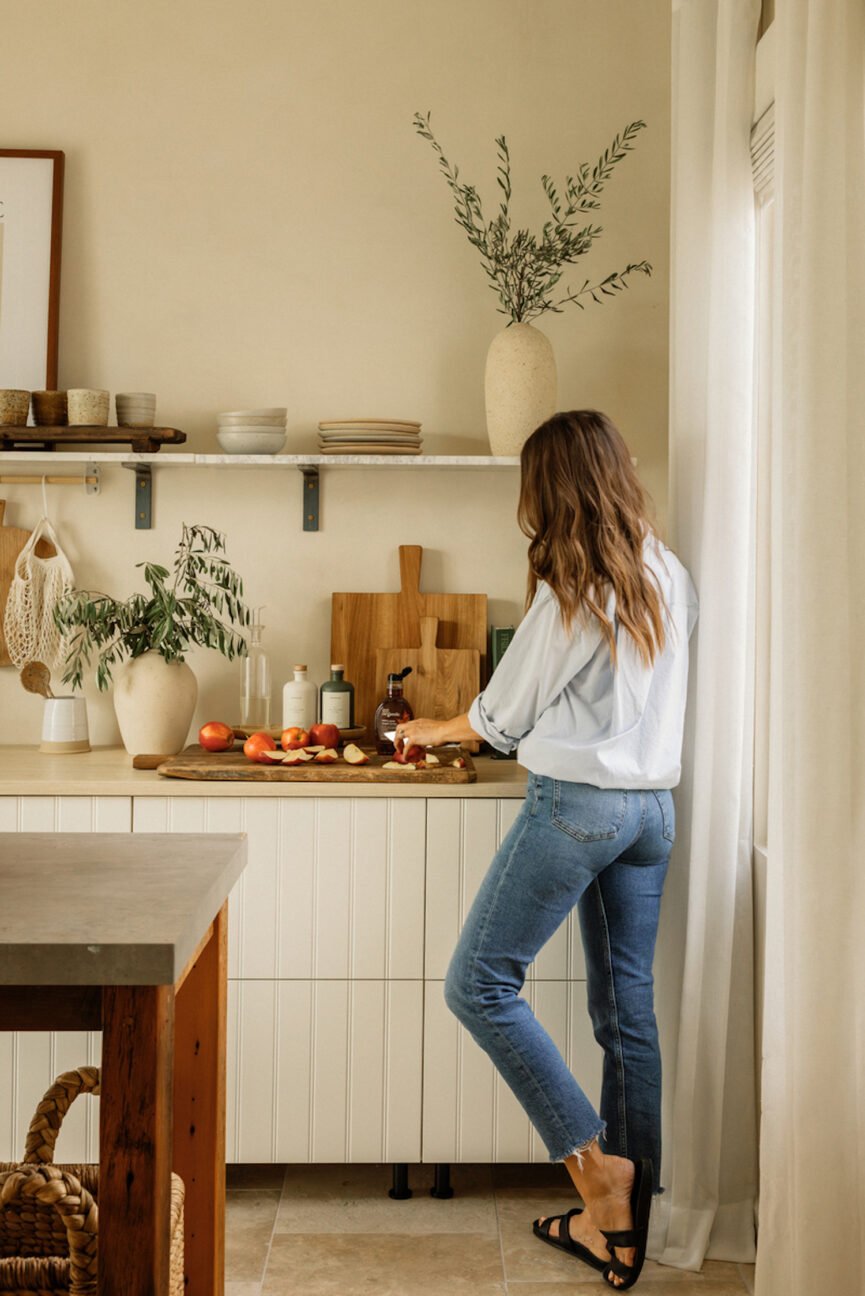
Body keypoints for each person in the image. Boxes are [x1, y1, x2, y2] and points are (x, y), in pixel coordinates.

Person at [396, 410, 698, 1291]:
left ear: (549, 488)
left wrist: (438, 728)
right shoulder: (665, 571)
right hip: (650, 810)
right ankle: (625, 1234)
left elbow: (505, 712)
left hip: (577, 808)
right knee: (627, 1019)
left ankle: (597, 1176)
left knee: (477, 985)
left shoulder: (575, 579)